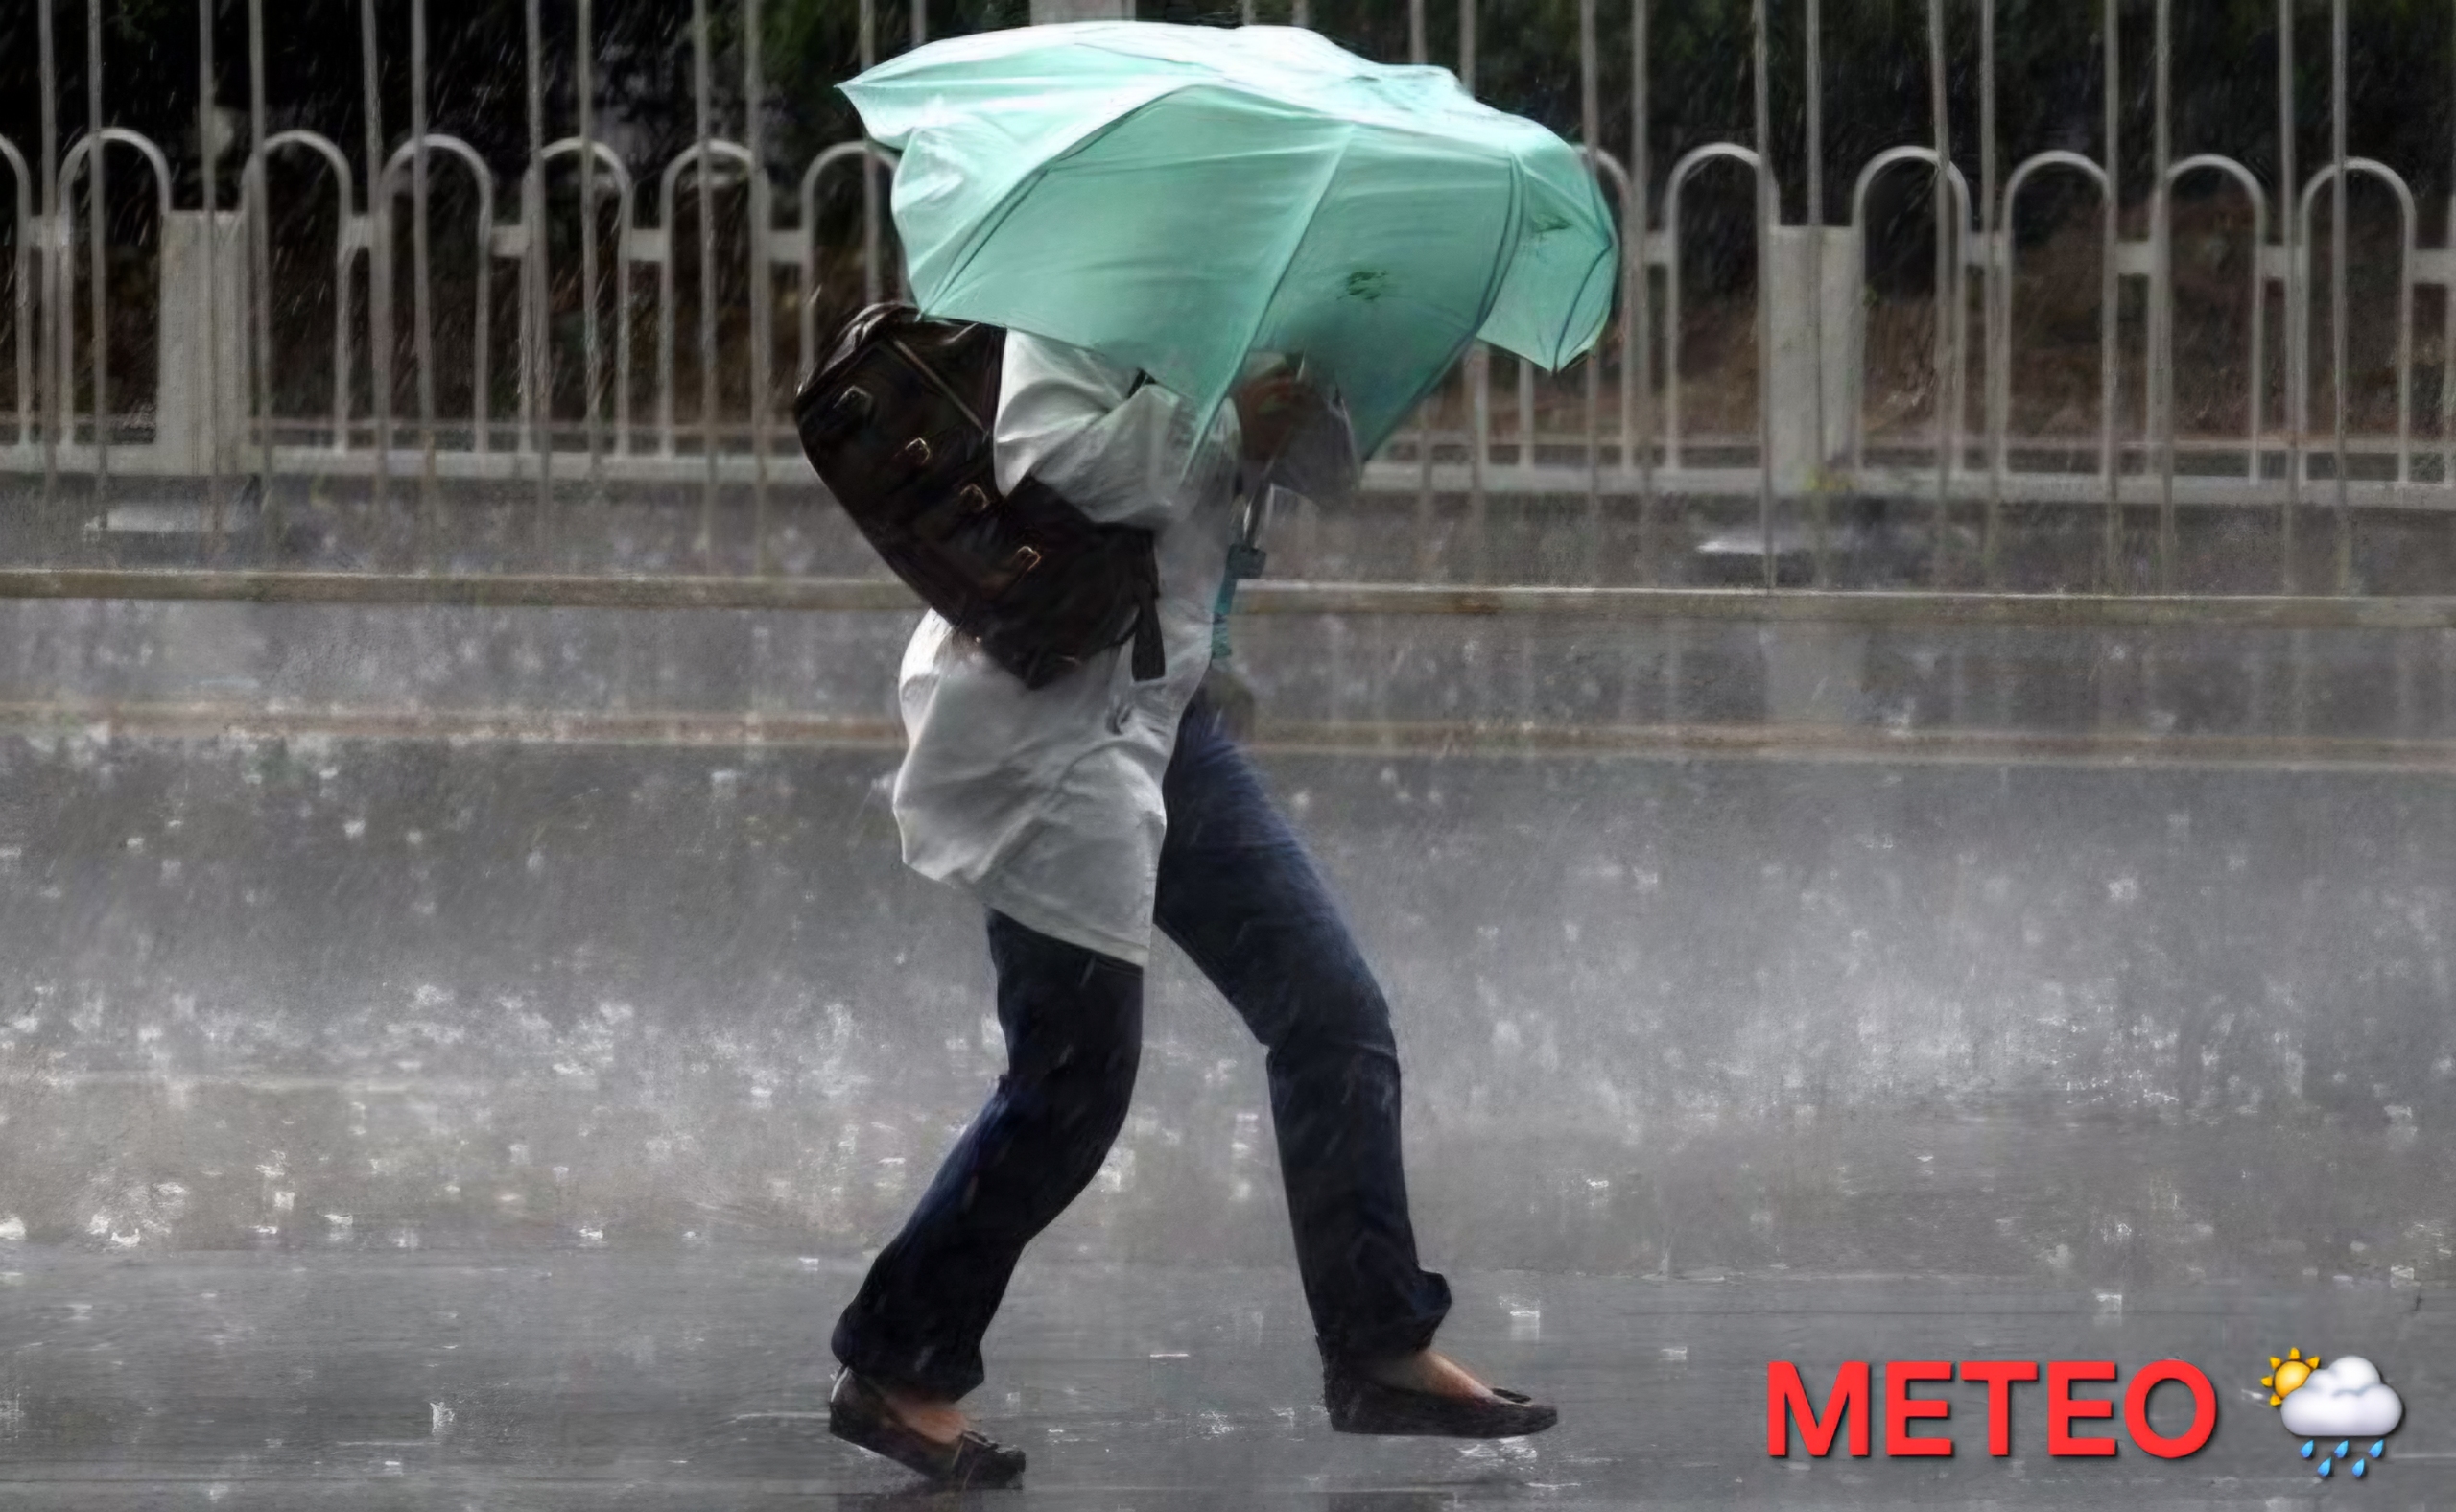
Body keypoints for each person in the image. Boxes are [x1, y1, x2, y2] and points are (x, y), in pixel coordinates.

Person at [825, 330, 1557, 1488]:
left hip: (1167, 717)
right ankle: (895, 1358)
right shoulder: (1084, 290)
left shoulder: (1245, 296)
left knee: (1331, 1015)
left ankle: (1378, 1342)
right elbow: (1044, 456)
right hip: (1053, 721)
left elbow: (1310, 472)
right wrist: (1221, 428)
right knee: (1071, 1082)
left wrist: (1297, 393)